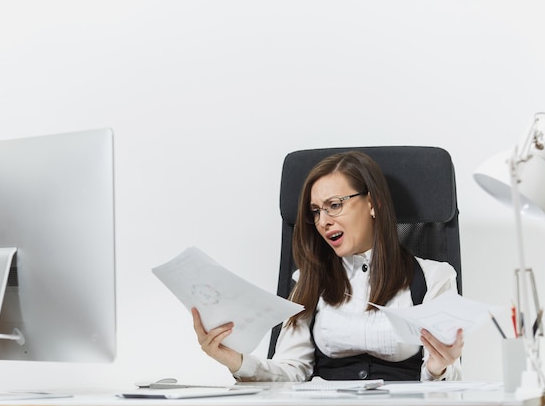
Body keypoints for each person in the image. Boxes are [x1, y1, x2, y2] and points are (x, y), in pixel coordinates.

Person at [192, 151, 463, 382]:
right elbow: (290, 371)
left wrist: (438, 368)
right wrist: (235, 360)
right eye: (316, 211)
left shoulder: (434, 277)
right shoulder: (309, 281)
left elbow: (447, 380)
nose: (323, 221)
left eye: (334, 205)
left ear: (373, 204)